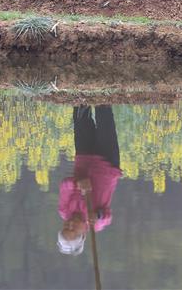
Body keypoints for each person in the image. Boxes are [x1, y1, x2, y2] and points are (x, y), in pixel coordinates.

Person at [57, 105, 122, 255]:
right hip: (107, 165)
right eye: (73, 229)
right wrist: (97, 215)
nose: (70, 224)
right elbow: (107, 217)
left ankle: (82, 85)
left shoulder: (64, 210)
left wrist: (77, 184)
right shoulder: (95, 224)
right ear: (83, 234)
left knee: (80, 115)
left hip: (84, 158)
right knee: (104, 115)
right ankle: (105, 86)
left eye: (66, 227)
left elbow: (65, 186)